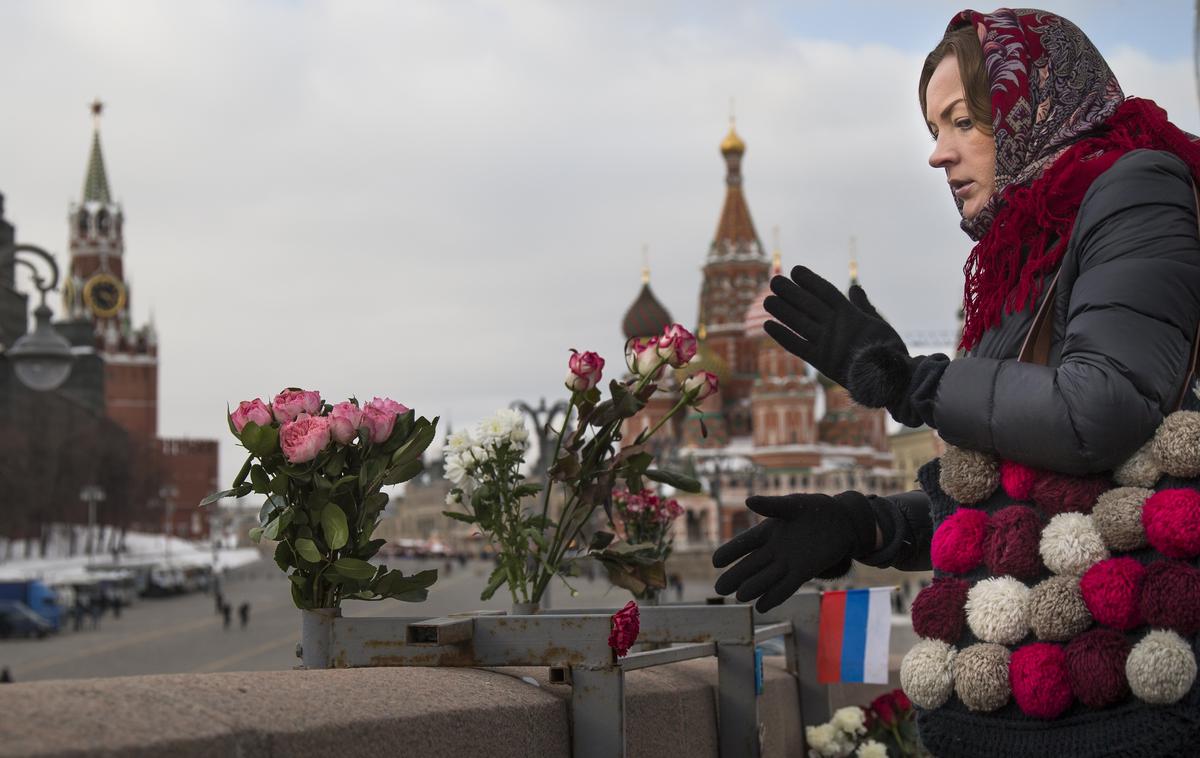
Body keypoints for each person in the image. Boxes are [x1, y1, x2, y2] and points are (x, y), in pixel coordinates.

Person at [712, 8, 1200, 757]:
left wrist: (915, 383)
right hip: (1026, 708)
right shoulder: (1020, 260)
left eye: (962, 121)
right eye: (931, 130)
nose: (937, 155)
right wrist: (867, 526)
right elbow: (1013, 492)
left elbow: (1101, 411)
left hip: (1125, 691)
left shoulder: (1137, 192)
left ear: (1030, 102)